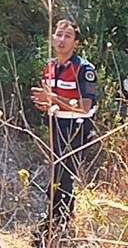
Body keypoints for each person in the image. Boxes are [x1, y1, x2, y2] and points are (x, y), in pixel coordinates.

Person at [30, 19, 100, 245]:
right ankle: (53, 220)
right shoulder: (50, 66)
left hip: (76, 127)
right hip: (56, 124)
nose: (61, 40)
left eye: (67, 36)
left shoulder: (84, 69)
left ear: (76, 43)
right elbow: (54, 99)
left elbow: (84, 107)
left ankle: (60, 223)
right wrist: (43, 103)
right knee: (56, 172)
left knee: (64, 175)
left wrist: (52, 99)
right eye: (59, 35)